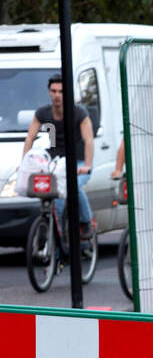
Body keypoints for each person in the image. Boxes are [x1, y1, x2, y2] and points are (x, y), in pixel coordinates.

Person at [21, 72, 94, 239]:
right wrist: (23, 163)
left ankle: (86, 221)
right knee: (54, 200)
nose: (57, 96)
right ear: (49, 92)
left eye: (60, 92)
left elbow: (88, 140)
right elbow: (30, 138)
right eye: (53, 91)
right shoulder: (43, 113)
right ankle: (57, 246)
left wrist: (87, 165)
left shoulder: (78, 113)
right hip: (56, 162)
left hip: (78, 161)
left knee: (72, 186)